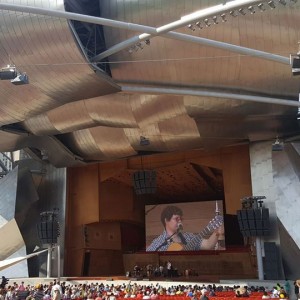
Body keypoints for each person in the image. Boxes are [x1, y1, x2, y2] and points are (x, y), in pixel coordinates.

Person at [146, 205, 224, 251]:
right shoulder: (157, 243)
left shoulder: (188, 236)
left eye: (180, 219)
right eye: (176, 219)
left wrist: (216, 232)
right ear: (166, 220)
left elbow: (208, 245)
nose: (180, 222)